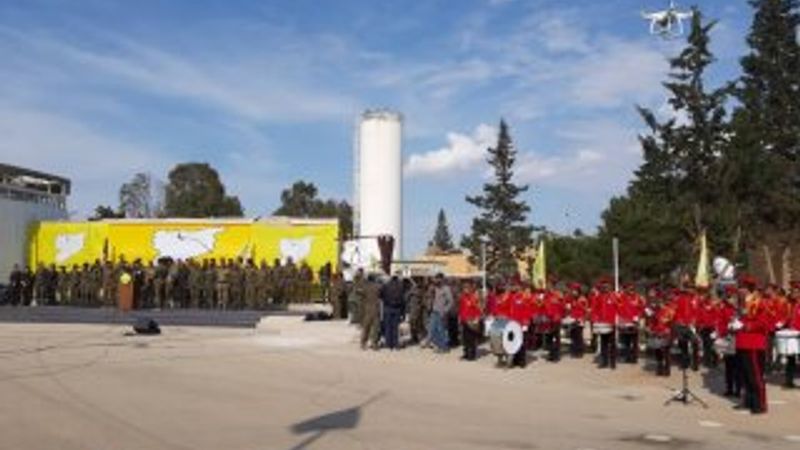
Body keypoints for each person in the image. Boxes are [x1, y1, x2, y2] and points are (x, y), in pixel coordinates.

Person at [733, 280, 770, 414]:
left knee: (755, 375)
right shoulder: (742, 303)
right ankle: (749, 401)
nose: (739, 291)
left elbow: (764, 322)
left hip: (753, 343)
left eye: (741, 288)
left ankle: (760, 403)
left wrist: (746, 326)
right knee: (745, 374)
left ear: (748, 289)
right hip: (742, 341)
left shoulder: (759, 302)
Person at [458, 280, 482, 361]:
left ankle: (472, 355)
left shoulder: (474, 298)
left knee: (471, 338)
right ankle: (466, 353)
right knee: (465, 338)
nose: (465, 289)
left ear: (471, 288)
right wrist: (460, 318)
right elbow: (461, 309)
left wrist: (477, 319)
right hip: (464, 320)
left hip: (472, 321)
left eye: (467, 288)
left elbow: (478, 309)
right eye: (464, 288)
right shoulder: (462, 297)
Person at [429, 274, 453, 353]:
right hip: (434, 311)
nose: (436, 280)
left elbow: (451, 301)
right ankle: (438, 345)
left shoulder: (446, 289)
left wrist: (445, 311)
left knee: (441, 330)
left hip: (441, 312)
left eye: (438, 279)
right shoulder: (435, 288)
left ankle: (444, 347)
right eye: (435, 279)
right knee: (432, 329)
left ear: (442, 279)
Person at [380, 274, 406, 350]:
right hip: (397, 309)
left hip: (387, 308)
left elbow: (381, 295)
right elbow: (403, 300)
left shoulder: (386, 285)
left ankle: (388, 344)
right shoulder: (400, 286)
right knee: (395, 327)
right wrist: (403, 313)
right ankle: (395, 344)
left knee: (388, 326)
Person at [360, 275, 381, 350]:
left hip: (367, 309)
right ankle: (374, 344)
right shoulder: (378, 287)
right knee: (375, 327)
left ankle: (363, 343)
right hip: (376, 309)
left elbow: (360, 294)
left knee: (366, 327)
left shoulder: (365, 287)